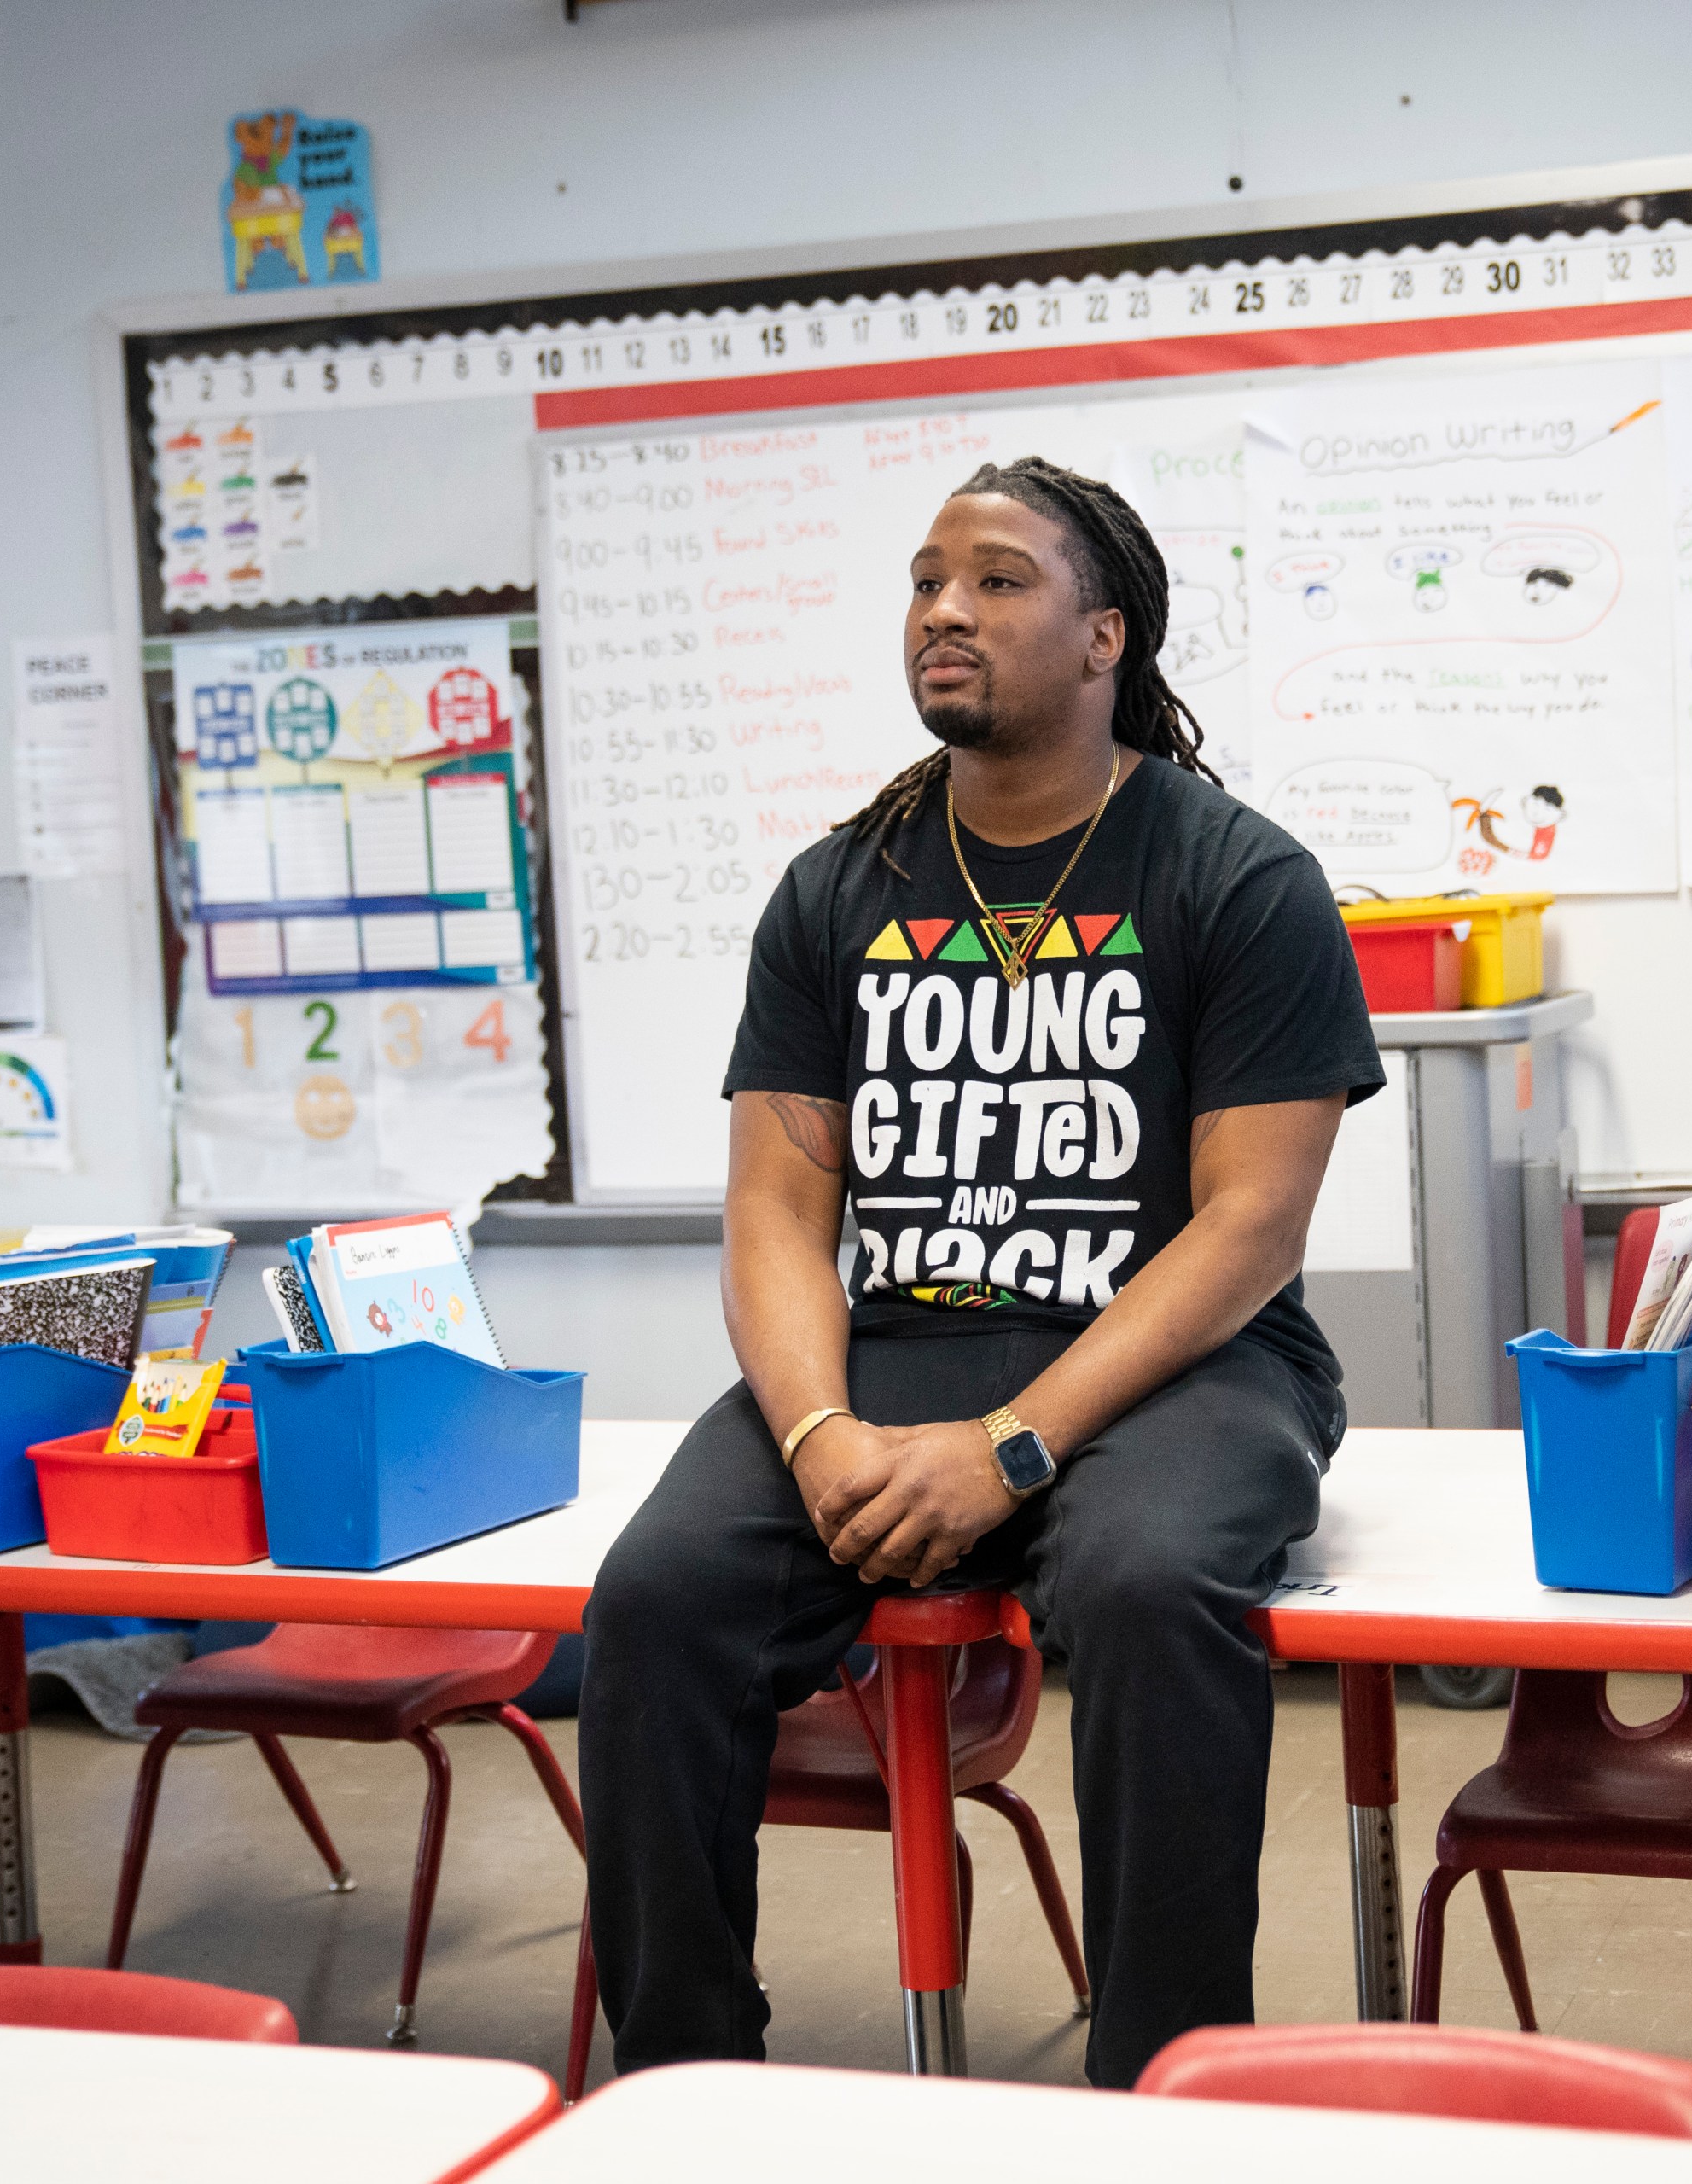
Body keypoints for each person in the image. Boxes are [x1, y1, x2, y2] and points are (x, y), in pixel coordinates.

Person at [580, 457, 1385, 2087]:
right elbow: (777, 1211)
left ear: (1105, 637)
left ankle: (1160, 2093)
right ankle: (679, 2085)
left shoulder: (1239, 878)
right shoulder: (835, 889)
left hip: (1182, 1364)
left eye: (999, 580)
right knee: (656, 1602)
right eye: (927, 579)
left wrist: (1018, 1446)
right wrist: (816, 1437)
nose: (946, 609)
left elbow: (1250, 1227)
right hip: (897, 1349)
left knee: (1157, 1588)